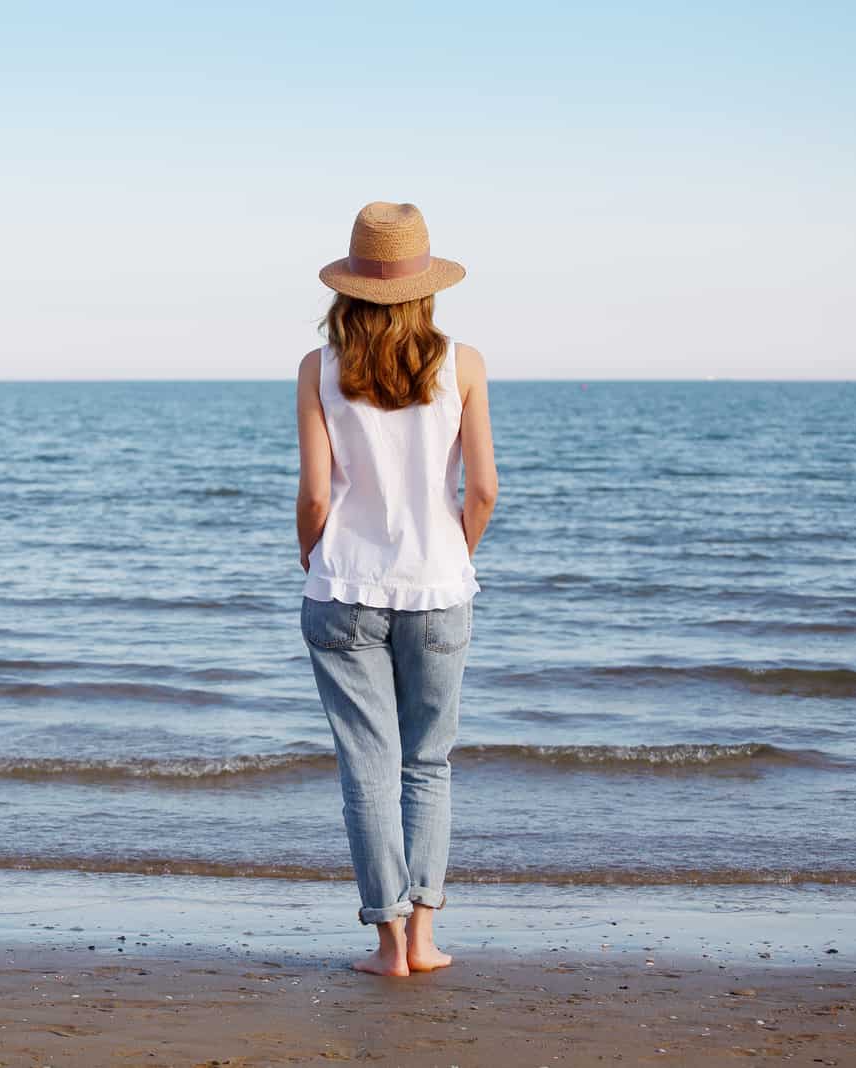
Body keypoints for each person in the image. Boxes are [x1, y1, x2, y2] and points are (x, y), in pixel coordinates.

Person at [296, 201, 498, 977]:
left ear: (350, 287)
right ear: (426, 286)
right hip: (440, 588)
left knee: (369, 768)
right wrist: (453, 553)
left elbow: (316, 495)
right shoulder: (466, 363)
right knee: (429, 764)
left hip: (343, 585)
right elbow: (482, 488)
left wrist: (309, 554)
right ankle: (424, 938)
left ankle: (387, 948)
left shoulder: (319, 368)